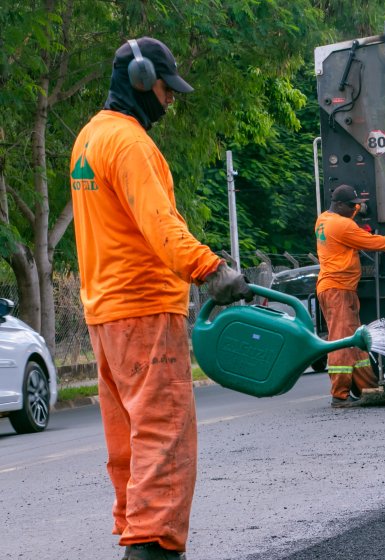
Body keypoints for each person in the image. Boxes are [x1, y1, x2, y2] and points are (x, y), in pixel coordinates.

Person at [70, 38, 252, 560]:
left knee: (128, 439)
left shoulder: (89, 138)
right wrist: (210, 269)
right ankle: (152, 550)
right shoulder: (129, 144)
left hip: (105, 315)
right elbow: (158, 222)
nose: (170, 101)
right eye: (166, 90)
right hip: (146, 307)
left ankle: (137, 533)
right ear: (143, 79)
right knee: (164, 435)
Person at [315, 184, 385, 408]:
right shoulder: (342, 225)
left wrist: (360, 207)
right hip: (337, 290)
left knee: (356, 341)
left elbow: (350, 217)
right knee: (340, 343)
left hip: (339, 289)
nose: (354, 209)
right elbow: (371, 242)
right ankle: (339, 395)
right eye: (351, 205)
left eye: (356, 205)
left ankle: (368, 389)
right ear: (339, 205)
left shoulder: (325, 218)